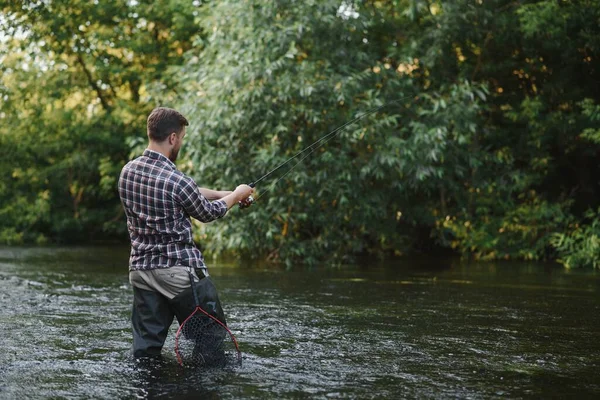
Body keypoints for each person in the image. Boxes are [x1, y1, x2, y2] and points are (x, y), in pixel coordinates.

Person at [118, 106, 254, 358]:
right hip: (178, 273)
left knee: (145, 352)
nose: (180, 143)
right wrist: (236, 196)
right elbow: (207, 212)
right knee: (210, 341)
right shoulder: (177, 180)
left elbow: (184, 193)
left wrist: (226, 193)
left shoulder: (128, 172)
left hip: (141, 272)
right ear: (172, 138)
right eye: (180, 138)